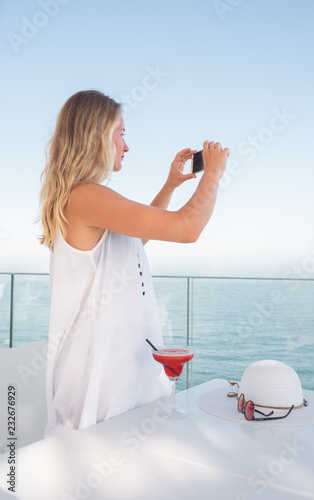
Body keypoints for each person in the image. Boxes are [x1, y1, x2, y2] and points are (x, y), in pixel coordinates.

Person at [40, 90, 229, 436]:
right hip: (98, 380)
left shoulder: (83, 198)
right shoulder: (86, 196)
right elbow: (188, 229)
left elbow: (132, 241)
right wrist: (212, 174)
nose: (126, 145)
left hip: (105, 371)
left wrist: (170, 186)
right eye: (121, 132)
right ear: (96, 134)